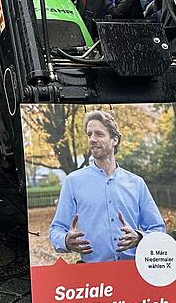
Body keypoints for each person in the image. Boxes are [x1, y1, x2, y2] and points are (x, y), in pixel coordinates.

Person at [49, 110, 165, 262]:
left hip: (135, 270)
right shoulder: (73, 181)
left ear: (114, 140)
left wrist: (139, 237)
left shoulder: (136, 183)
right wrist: (65, 240)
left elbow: (158, 229)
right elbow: (56, 230)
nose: (92, 139)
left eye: (99, 134)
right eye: (89, 134)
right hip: (95, 276)